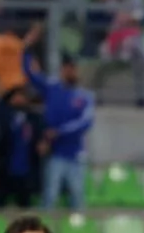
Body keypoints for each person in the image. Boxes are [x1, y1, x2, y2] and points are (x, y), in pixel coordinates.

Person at [23, 29, 95, 210]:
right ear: (63, 70)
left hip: (75, 154)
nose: (71, 71)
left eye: (74, 68)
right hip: (55, 154)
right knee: (50, 196)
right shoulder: (53, 88)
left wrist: (59, 132)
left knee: (78, 196)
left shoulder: (84, 96)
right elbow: (31, 75)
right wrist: (27, 50)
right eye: (68, 67)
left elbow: (85, 123)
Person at [0, 86, 44, 209]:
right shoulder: (5, 115)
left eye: (22, 96)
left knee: (24, 207)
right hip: (4, 169)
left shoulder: (34, 118)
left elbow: (41, 135)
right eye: (16, 96)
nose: (19, 99)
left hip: (25, 172)